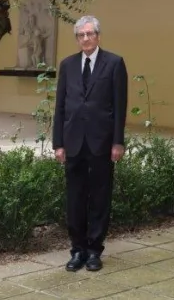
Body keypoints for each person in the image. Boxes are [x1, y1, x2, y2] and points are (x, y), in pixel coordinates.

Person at [52, 15, 127, 272]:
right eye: (81, 35)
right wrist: (58, 143)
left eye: (90, 34)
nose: (85, 39)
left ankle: (95, 250)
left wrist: (118, 142)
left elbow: (120, 106)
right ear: (77, 39)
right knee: (74, 198)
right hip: (73, 143)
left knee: (99, 197)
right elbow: (60, 107)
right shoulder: (67, 65)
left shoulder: (114, 64)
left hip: (102, 143)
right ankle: (77, 250)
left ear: (98, 35)